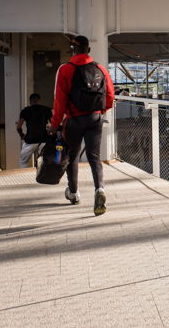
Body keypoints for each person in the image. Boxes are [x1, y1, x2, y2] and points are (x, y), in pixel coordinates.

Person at [48, 35, 115, 215]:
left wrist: (55, 124)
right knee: (94, 157)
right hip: (94, 119)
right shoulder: (100, 68)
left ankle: (74, 193)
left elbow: (59, 99)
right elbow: (110, 96)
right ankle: (100, 189)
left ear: (72, 49)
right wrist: (101, 111)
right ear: (89, 50)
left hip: (73, 121)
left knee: (72, 156)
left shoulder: (65, 69)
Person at [16, 93, 53, 168]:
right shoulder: (46, 109)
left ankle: (25, 177)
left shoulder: (25, 111)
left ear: (30, 101)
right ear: (39, 101)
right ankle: (41, 177)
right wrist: (51, 133)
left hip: (30, 140)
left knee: (23, 162)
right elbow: (53, 124)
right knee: (42, 161)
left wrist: (22, 135)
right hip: (43, 140)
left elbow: (18, 126)